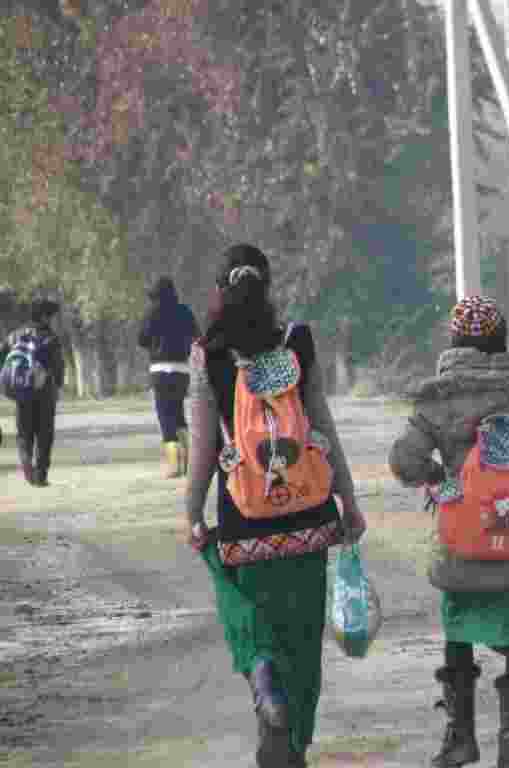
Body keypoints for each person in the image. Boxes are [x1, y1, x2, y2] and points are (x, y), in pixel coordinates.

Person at [184, 244, 365, 768]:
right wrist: (347, 500)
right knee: (303, 646)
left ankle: (260, 671)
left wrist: (194, 513)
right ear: (268, 286)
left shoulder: (208, 355)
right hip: (307, 520)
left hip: (244, 522)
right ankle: (293, 751)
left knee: (246, 612)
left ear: (220, 291)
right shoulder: (296, 343)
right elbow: (322, 427)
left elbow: (201, 452)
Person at [388, 295, 509, 768]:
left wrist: (440, 479)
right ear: (501, 340)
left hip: (462, 543)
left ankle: (460, 737)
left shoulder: (437, 398)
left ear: (454, 340)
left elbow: (403, 461)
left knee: (458, 629)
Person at [138, 276, 200, 478]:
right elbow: (197, 337)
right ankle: (187, 463)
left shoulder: (151, 312)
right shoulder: (184, 311)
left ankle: (173, 466)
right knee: (179, 415)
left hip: (160, 369)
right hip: (182, 370)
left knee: (166, 418)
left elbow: (142, 340)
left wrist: (155, 344)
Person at [0, 299, 65, 487]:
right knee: (45, 435)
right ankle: (41, 476)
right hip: (44, 393)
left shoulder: (15, 336)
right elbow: (58, 367)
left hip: (22, 393)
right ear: (44, 317)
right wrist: (58, 384)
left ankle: (28, 467)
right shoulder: (50, 338)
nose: (52, 320)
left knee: (24, 434)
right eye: (51, 316)